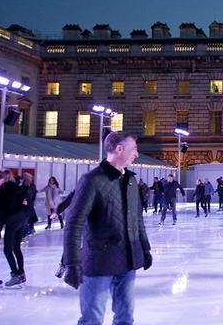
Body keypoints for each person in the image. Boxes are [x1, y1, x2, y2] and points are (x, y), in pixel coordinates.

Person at [62, 131, 152, 324]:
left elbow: (137, 219)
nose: (136, 154)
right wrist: (72, 262)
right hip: (99, 262)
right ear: (119, 149)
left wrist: (145, 248)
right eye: (134, 149)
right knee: (92, 317)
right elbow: (73, 224)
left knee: (125, 316)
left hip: (128, 260)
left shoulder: (131, 180)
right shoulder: (91, 180)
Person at [0, 171, 30, 287]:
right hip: (22, 220)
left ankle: (15, 274)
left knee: (7, 249)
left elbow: (0, 209)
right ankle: (21, 273)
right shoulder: (18, 188)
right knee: (16, 247)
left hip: (12, 221)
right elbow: (26, 202)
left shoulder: (3, 190)